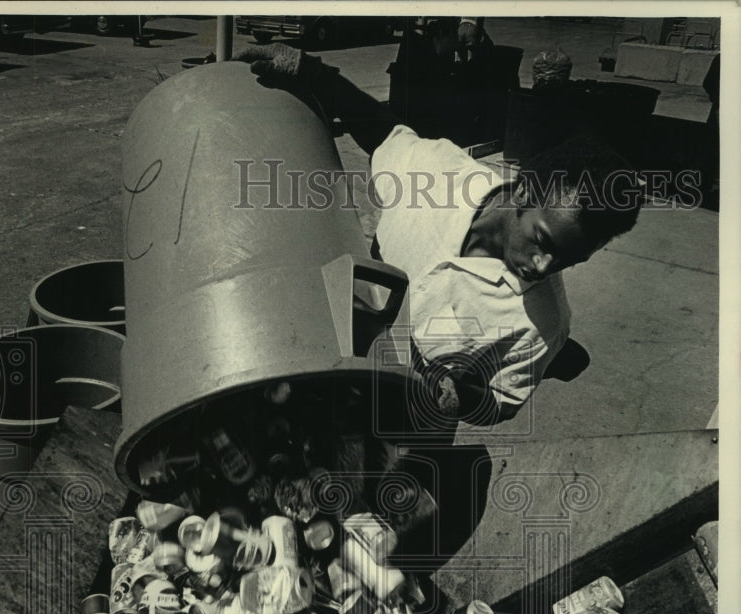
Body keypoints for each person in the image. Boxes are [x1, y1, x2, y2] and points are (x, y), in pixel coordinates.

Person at [233, 43, 643, 576]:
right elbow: (382, 130)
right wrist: (312, 71)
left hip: (414, 418)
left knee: (364, 541)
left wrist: (463, 393)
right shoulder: (443, 180)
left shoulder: (540, 325)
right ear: (523, 192)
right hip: (349, 348)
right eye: (541, 239)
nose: (544, 264)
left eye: (569, 258)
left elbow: (502, 403)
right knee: (290, 480)